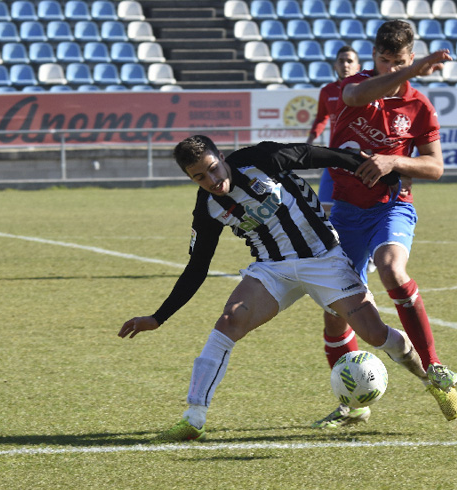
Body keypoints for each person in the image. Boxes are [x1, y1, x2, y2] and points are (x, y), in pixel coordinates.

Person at [118, 135, 418, 442]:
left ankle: (430, 376)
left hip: (323, 260)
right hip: (273, 269)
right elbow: (197, 267)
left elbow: (322, 155)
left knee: (374, 334)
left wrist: (390, 175)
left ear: (221, 157)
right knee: (228, 322)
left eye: (212, 168)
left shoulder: (262, 158)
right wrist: (159, 317)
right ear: (190, 178)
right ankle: (194, 419)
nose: (212, 180)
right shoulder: (208, 207)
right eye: (199, 177)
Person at [310, 20, 457, 430]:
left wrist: (395, 161)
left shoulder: (419, 108)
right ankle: (353, 406)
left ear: (409, 57)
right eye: (383, 60)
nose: (387, 67)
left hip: (391, 206)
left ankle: (434, 369)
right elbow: (360, 93)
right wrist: (410, 71)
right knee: (333, 312)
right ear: (374, 56)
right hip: (345, 212)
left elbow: (435, 167)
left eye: (398, 61)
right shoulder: (353, 88)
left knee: (393, 267)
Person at [306, 45, 362, 216]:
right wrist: (309, 141)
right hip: (335, 157)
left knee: (361, 208)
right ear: (335, 66)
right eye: (341, 61)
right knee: (324, 209)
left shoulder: (366, 90)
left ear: (358, 67)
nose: (345, 65)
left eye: (349, 61)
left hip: (361, 159)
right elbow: (321, 118)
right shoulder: (327, 91)